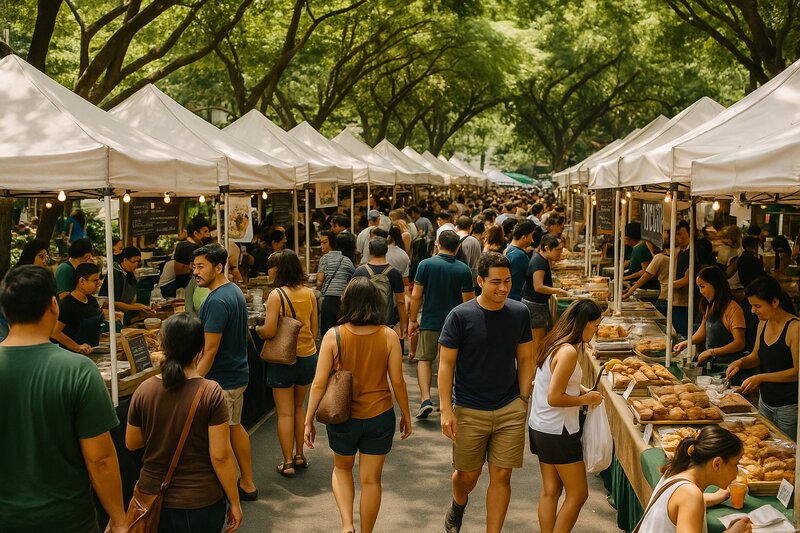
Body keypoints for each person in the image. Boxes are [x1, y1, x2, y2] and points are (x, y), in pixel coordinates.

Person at [0, 265, 125, 532]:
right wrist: (118, 518)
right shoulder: (78, 371)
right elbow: (100, 459)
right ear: (53, 305)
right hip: (66, 519)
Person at [304, 277, 412, 533]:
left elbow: (319, 383)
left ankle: (346, 524)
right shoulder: (388, 335)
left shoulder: (334, 335)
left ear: (347, 302)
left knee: (342, 469)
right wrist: (406, 414)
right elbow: (398, 381)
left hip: (343, 417)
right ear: (377, 302)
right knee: (371, 480)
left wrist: (308, 419)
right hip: (380, 415)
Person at [439, 253, 534, 533]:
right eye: (495, 282)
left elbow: (527, 358)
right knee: (467, 476)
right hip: (469, 408)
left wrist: (523, 398)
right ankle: (458, 502)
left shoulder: (519, 313)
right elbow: (445, 365)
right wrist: (446, 409)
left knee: (502, 475)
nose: (503, 288)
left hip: (509, 407)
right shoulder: (459, 316)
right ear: (480, 281)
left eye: (507, 281)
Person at [126, 313, 243, 533]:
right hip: (200, 501)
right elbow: (220, 455)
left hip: (151, 499)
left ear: (163, 346)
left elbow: (132, 443)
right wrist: (235, 502)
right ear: (200, 349)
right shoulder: (211, 392)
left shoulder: (144, 390)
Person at [529, 299, 604, 533]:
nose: (597, 331)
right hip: (558, 430)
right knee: (579, 493)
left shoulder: (555, 341)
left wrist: (580, 389)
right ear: (582, 324)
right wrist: (586, 399)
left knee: (550, 490)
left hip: (541, 426)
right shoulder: (569, 351)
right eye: (595, 326)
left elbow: (555, 382)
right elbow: (555, 396)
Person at [193, 243, 257, 499]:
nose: (195, 272)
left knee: (222, 440)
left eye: (201, 267)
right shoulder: (233, 291)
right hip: (236, 374)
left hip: (223, 379)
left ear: (218, 267)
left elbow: (210, 350)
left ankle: (233, 492)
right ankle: (247, 482)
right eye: (194, 267)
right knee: (234, 427)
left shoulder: (217, 300)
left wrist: (194, 380)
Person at [257, 249, 318, 477]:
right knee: (299, 407)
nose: (268, 271)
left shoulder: (276, 295)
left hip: (283, 360)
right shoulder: (309, 293)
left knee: (284, 414)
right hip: (307, 357)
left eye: (271, 266)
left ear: (279, 268)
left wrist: (259, 330)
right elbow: (313, 329)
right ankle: (300, 455)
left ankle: (287, 462)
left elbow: (271, 330)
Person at [408, 230, 474, 418]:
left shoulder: (425, 265)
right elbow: (468, 303)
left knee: (424, 359)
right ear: (458, 246)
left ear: (437, 243)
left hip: (430, 320)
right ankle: (450, 400)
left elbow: (416, 295)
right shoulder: (463, 269)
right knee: (451, 362)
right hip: (456, 323)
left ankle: (425, 399)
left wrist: (413, 320)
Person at [637, 425, 751, 533]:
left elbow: (681, 505)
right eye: (735, 464)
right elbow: (690, 501)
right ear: (717, 463)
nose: (737, 472)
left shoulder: (676, 472)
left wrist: (719, 496)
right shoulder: (691, 495)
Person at [727, 276, 799, 439]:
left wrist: (761, 378)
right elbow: (756, 356)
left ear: (775, 302)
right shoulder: (763, 323)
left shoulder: (795, 328)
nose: (753, 311)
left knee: (787, 454)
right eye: (752, 306)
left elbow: (797, 372)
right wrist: (740, 362)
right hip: (765, 401)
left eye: (757, 306)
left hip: (788, 407)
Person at [673, 266, 746, 371]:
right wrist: (686, 343)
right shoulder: (710, 305)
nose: (701, 291)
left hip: (728, 366)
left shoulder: (733, 308)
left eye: (702, 286)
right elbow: (703, 332)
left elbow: (739, 343)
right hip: (712, 364)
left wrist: (711, 352)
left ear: (715, 284)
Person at [522, 233, 569, 356]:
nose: (560, 253)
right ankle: (536, 372)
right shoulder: (539, 262)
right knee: (537, 344)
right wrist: (558, 291)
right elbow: (538, 287)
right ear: (547, 248)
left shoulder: (542, 259)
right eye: (558, 250)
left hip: (537, 304)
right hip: (535, 306)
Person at [353, 237, 408, 334]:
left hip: (363, 323)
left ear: (369, 251)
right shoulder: (395, 273)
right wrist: (404, 324)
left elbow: (353, 299)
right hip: (387, 323)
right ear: (386, 250)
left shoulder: (360, 271)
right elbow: (401, 301)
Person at [52, 262, 104, 354]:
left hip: (92, 351)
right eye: (95, 281)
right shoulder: (68, 303)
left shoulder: (92, 300)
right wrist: (77, 347)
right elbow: (55, 332)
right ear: (82, 281)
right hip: (72, 355)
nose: (98, 284)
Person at [159, 216, 211, 298]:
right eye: (205, 232)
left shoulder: (195, 246)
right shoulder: (185, 247)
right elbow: (179, 271)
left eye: (208, 231)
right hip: (175, 287)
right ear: (195, 233)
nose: (208, 235)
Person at [100, 245, 153, 324]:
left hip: (125, 313)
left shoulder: (128, 272)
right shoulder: (115, 273)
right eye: (133, 261)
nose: (136, 265)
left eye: (138, 262)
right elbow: (113, 302)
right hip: (113, 316)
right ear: (124, 260)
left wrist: (143, 307)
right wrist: (134, 307)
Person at [317, 231, 355, 336]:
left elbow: (320, 279)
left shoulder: (324, 259)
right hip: (343, 300)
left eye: (324, 243)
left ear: (332, 243)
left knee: (328, 332)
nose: (322, 246)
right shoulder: (346, 260)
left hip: (328, 299)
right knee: (342, 331)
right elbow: (353, 277)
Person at [504, 219, 537, 301]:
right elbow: (531, 279)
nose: (532, 240)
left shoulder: (508, 248)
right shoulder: (519, 255)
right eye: (531, 236)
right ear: (524, 237)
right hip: (516, 298)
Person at [624, 223, 660, 291]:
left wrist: (625, 278)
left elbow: (645, 270)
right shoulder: (636, 248)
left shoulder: (641, 248)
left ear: (628, 237)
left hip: (644, 287)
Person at [455, 216, 482, 292]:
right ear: (471, 227)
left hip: (454, 278)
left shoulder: (450, 237)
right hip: (469, 282)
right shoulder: (473, 241)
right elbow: (476, 263)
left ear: (457, 225)